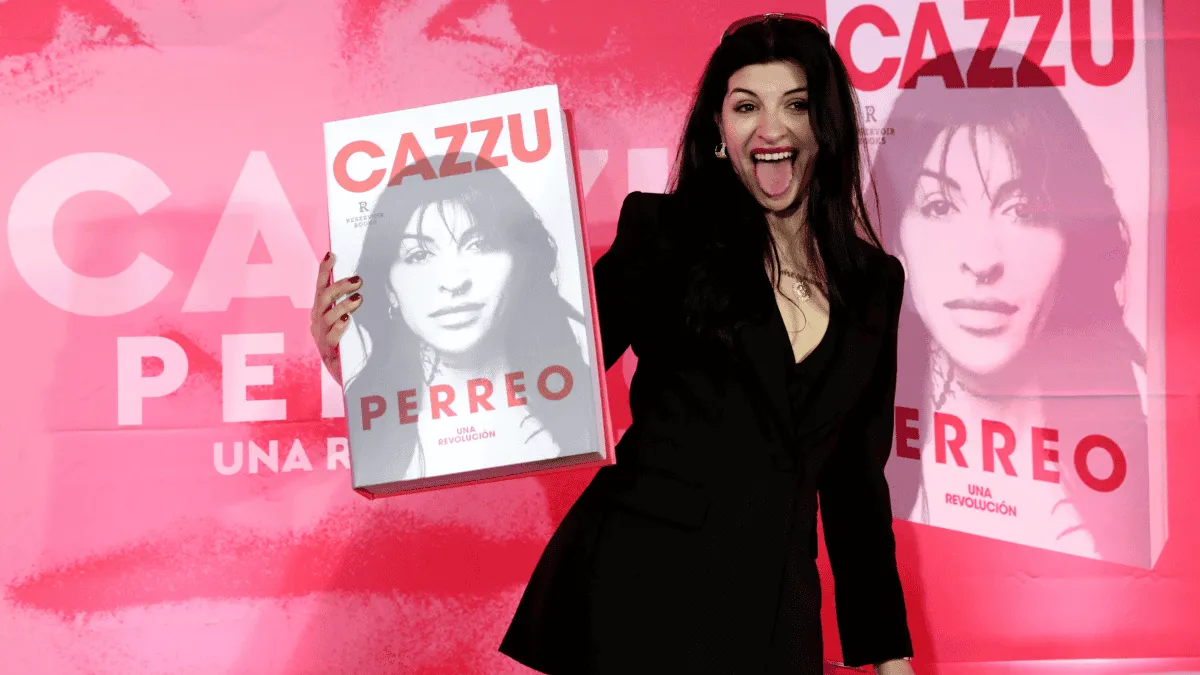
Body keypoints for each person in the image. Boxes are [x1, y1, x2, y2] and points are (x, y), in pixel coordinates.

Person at [313, 13, 914, 675]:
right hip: (635, 595)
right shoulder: (665, 235)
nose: (771, 129)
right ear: (719, 131)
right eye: (746, 106)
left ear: (827, 125)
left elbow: (856, 492)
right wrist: (361, 358)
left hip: (775, 622)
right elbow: (542, 366)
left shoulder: (874, 285)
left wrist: (892, 663)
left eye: (795, 104)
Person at [874, 49, 1149, 563]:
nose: (983, 261)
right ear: (895, 240)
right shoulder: (853, 434)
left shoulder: (1144, 468)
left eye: (1024, 210)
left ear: (1071, 242)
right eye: (939, 205)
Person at [323, 154, 594, 482]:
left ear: (521, 263)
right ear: (388, 288)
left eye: (480, 244)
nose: (453, 281)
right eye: (419, 255)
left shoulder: (584, 400)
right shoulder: (369, 424)